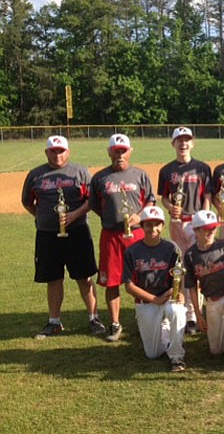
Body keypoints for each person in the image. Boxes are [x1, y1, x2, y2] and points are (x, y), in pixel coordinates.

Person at [21, 135, 105, 338]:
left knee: (84, 277)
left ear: (68, 152)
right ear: (46, 152)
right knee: (53, 278)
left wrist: (74, 215)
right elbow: (27, 202)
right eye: (53, 151)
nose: (57, 154)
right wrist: (44, 218)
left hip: (77, 232)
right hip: (48, 235)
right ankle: (54, 321)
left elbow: (91, 201)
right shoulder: (35, 175)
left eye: (61, 151)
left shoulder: (81, 172)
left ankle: (94, 318)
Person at [89, 134, 155, 343]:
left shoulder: (140, 175)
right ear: (109, 152)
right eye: (116, 151)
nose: (120, 154)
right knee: (112, 282)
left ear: (130, 151)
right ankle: (115, 322)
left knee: (143, 277)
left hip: (136, 234)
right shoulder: (100, 178)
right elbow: (95, 205)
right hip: (111, 235)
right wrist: (112, 218)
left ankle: (147, 318)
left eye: (123, 150)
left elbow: (151, 200)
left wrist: (141, 215)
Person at [157, 126, 213, 335]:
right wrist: (170, 208)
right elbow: (164, 196)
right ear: (173, 144)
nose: (183, 143)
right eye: (179, 140)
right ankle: (184, 311)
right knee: (181, 267)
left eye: (186, 140)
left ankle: (194, 313)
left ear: (192, 143)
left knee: (197, 266)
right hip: (176, 223)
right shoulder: (167, 170)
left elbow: (207, 196)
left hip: (195, 222)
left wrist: (203, 220)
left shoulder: (202, 168)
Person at [122, 206, 186, 372]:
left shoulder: (172, 248)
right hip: (146, 302)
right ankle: (163, 327)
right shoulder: (132, 251)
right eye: (148, 225)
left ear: (162, 226)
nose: (153, 229)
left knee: (177, 312)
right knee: (153, 353)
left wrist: (174, 293)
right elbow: (129, 286)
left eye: (157, 224)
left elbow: (179, 277)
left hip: (168, 297)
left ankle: (177, 357)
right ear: (141, 227)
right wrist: (154, 300)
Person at [183, 210, 224, 369]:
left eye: (213, 228)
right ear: (196, 230)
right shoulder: (191, 255)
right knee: (216, 350)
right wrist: (198, 315)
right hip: (211, 301)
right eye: (206, 228)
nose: (211, 231)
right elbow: (192, 286)